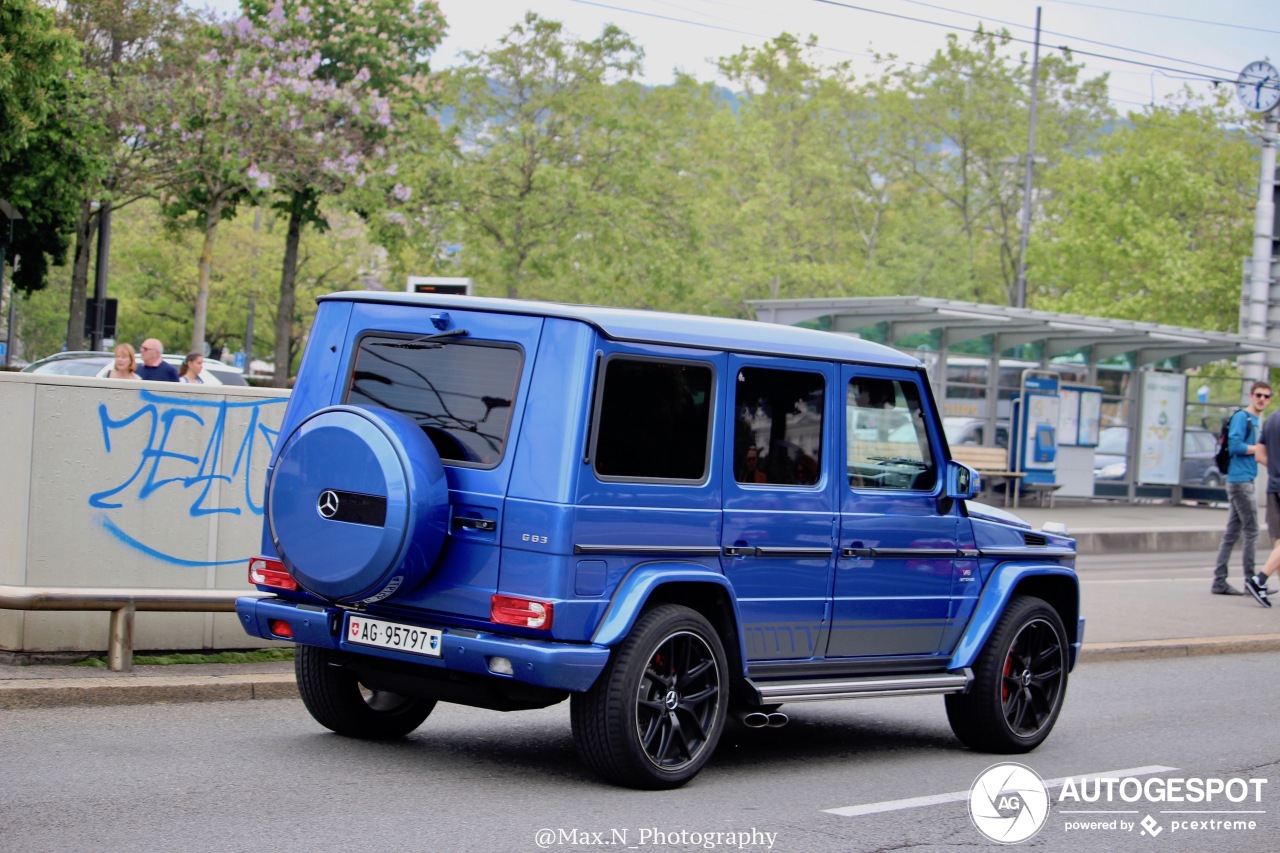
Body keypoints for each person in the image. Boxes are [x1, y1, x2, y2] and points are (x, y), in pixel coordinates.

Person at [1211, 381, 1271, 596]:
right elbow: (1235, 446)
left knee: (1232, 533)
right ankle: (1251, 582)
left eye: (1266, 396)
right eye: (1259, 395)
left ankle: (1219, 581)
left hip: (1244, 479)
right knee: (1252, 531)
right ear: (1251, 395)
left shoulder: (1255, 420)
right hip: (1240, 481)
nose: (1262, 399)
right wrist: (1262, 448)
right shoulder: (1242, 418)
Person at [1244, 403, 1280, 607]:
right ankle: (1260, 579)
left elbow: (1259, 455)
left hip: (1273, 485)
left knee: (1279, 539)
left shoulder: (1272, 419)